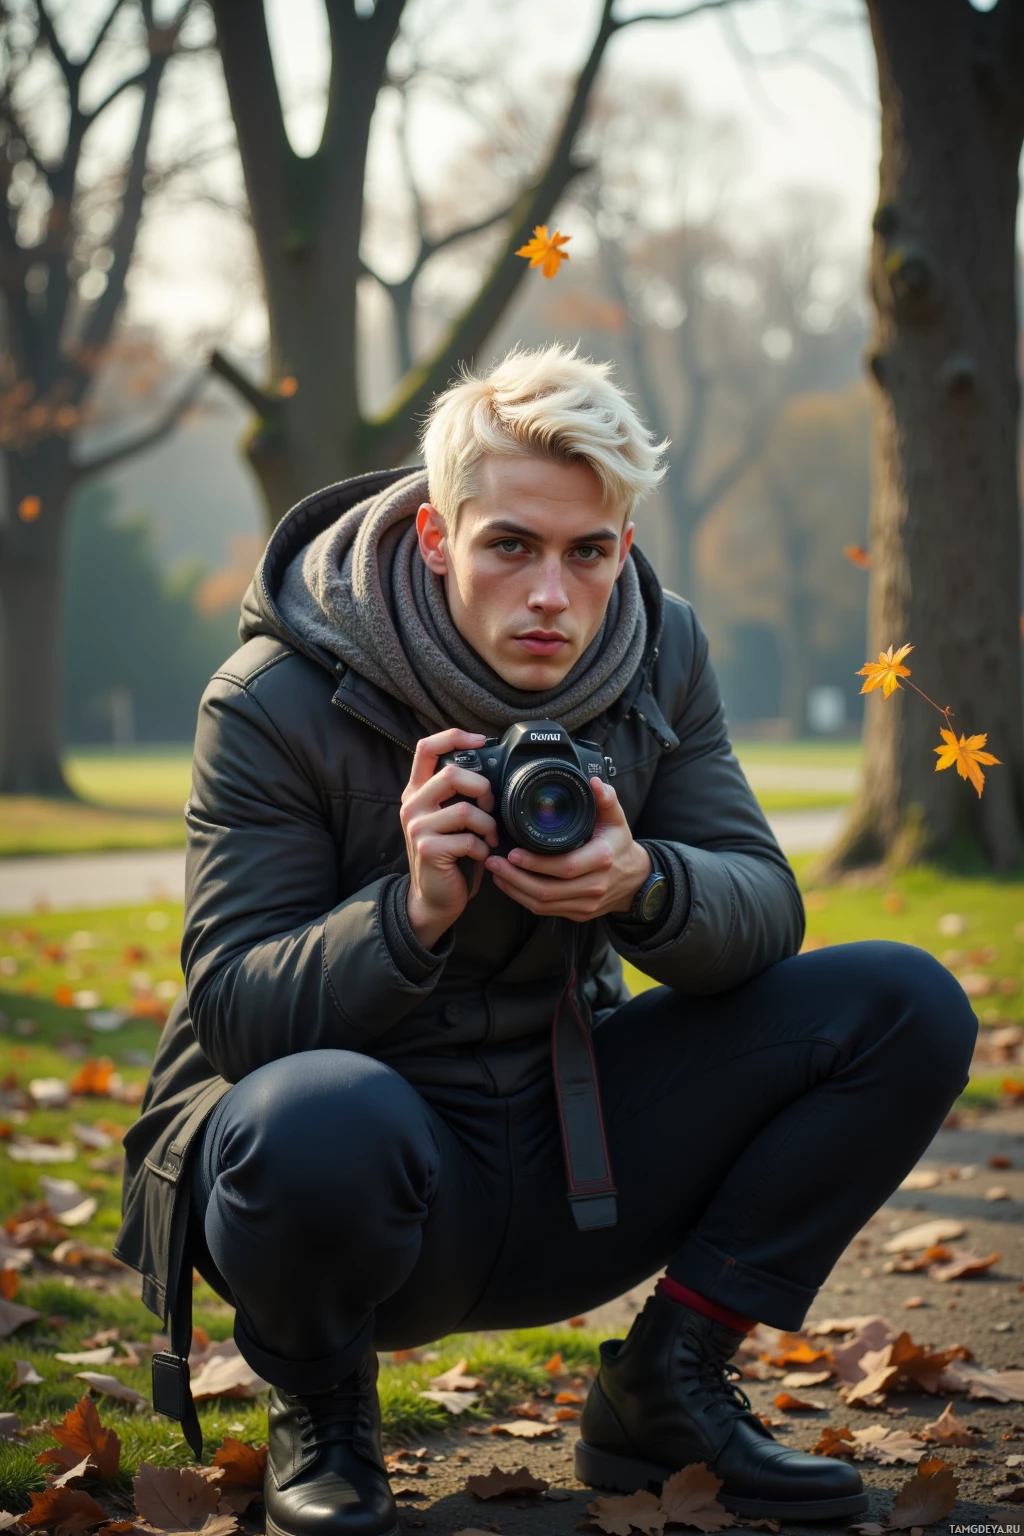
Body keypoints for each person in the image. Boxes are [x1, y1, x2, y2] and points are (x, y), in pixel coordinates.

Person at [115, 344, 977, 1536]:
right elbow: (234, 1011)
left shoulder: (659, 652)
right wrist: (405, 913)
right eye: (509, 545)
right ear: (433, 538)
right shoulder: (275, 699)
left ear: (622, 545)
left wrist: (644, 883)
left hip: (570, 1165)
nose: (550, 596)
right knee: (312, 1115)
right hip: (359, 1193)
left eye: (589, 552)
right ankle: (321, 1406)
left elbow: (764, 906)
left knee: (903, 1004)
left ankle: (667, 1385)